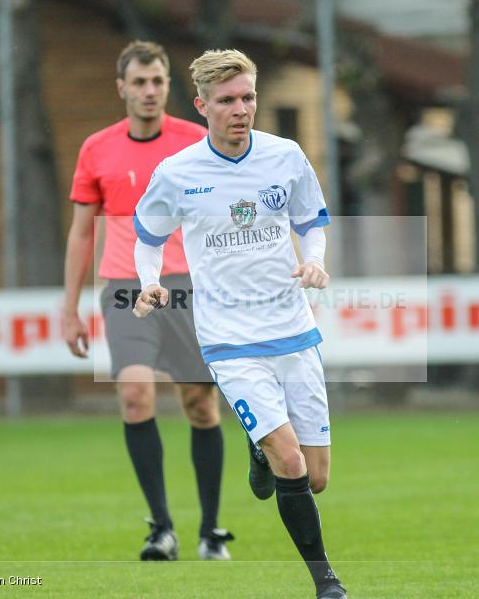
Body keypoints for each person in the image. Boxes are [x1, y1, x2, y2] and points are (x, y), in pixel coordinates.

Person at [132, 49, 347, 599]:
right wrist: (149, 280)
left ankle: (258, 447)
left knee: (315, 476)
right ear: (202, 105)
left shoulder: (286, 156)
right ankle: (326, 583)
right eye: (227, 100)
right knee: (291, 459)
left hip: (294, 330)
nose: (240, 109)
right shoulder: (177, 173)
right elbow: (148, 237)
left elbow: (311, 223)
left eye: (248, 97)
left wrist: (315, 259)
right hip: (230, 341)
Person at [61, 40, 233, 562]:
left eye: (158, 81)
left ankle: (210, 531)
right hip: (124, 288)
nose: (150, 91)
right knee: (134, 395)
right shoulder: (97, 148)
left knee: (200, 404)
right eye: (139, 82)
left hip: (186, 284)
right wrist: (69, 307)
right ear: (122, 89)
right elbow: (80, 234)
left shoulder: (195, 141)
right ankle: (161, 529)